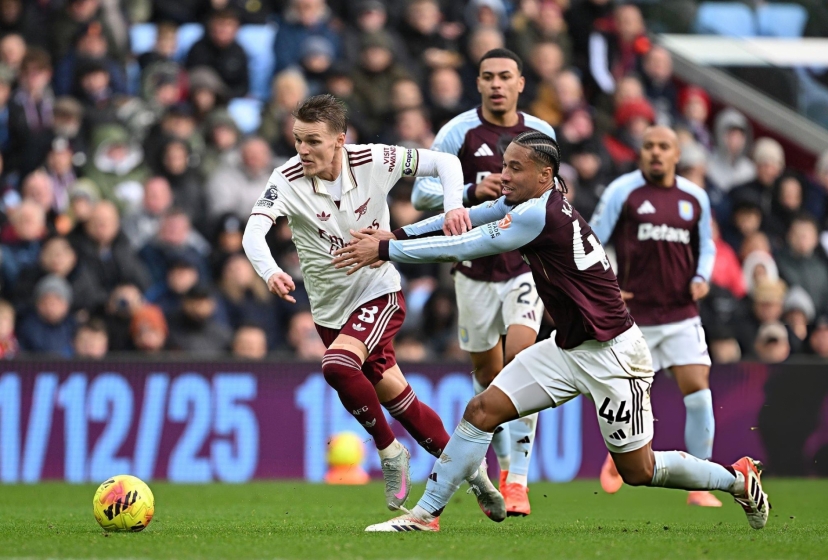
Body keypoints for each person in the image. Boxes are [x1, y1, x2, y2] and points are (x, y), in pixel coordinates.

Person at [333, 130, 769, 533]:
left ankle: (737, 478)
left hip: (614, 355)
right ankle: (425, 515)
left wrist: (388, 249)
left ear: (546, 174)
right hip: (567, 347)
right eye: (504, 165)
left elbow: (468, 244)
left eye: (515, 168)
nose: (504, 175)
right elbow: (465, 218)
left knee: (639, 471)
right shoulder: (531, 202)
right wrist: (398, 232)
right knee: (482, 411)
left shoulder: (539, 215)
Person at [242, 94, 502, 512]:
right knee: (401, 401)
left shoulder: (373, 160)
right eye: (297, 140)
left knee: (337, 366)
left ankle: (389, 452)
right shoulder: (286, 178)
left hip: (378, 290)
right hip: (329, 310)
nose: (302, 150)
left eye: (313, 141)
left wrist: (454, 205)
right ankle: (475, 474)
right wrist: (269, 269)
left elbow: (446, 164)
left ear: (340, 140)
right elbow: (253, 232)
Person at [410, 48, 555, 516]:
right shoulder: (457, 131)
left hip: (522, 267)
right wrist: (473, 190)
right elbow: (420, 193)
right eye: (488, 76)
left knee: (522, 358)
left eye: (505, 76)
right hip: (472, 272)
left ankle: (518, 480)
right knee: (489, 378)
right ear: (478, 83)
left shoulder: (541, 133)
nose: (496, 84)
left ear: (520, 83)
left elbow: (554, 195)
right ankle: (501, 463)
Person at [588, 126, 720, 507]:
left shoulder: (695, 197)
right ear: (640, 153)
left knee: (698, 392)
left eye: (664, 146)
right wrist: (609, 283)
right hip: (635, 317)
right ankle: (620, 456)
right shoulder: (622, 192)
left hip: (680, 313)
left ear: (677, 154)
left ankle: (701, 482)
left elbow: (706, 246)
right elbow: (592, 239)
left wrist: (701, 277)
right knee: (630, 395)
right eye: (649, 147)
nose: (656, 153)